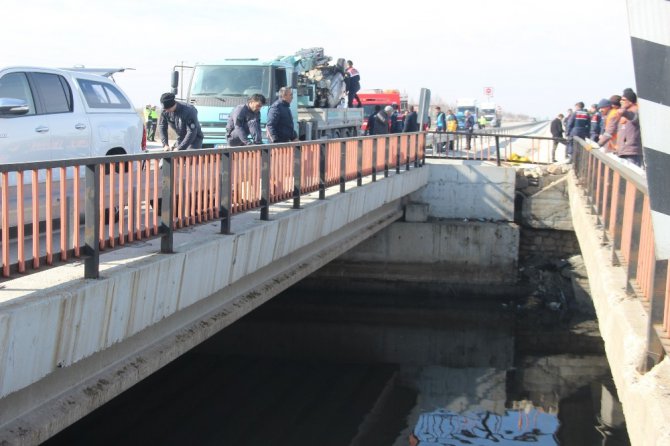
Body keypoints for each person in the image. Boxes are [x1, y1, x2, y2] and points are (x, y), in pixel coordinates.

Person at [615, 89, 643, 167]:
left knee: (632, 175)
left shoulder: (636, 111)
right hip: (623, 150)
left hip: (632, 152)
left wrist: (624, 112)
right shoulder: (624, 112)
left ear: (630, 101)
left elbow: (634, 117)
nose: (621, 101)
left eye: (623, 100)